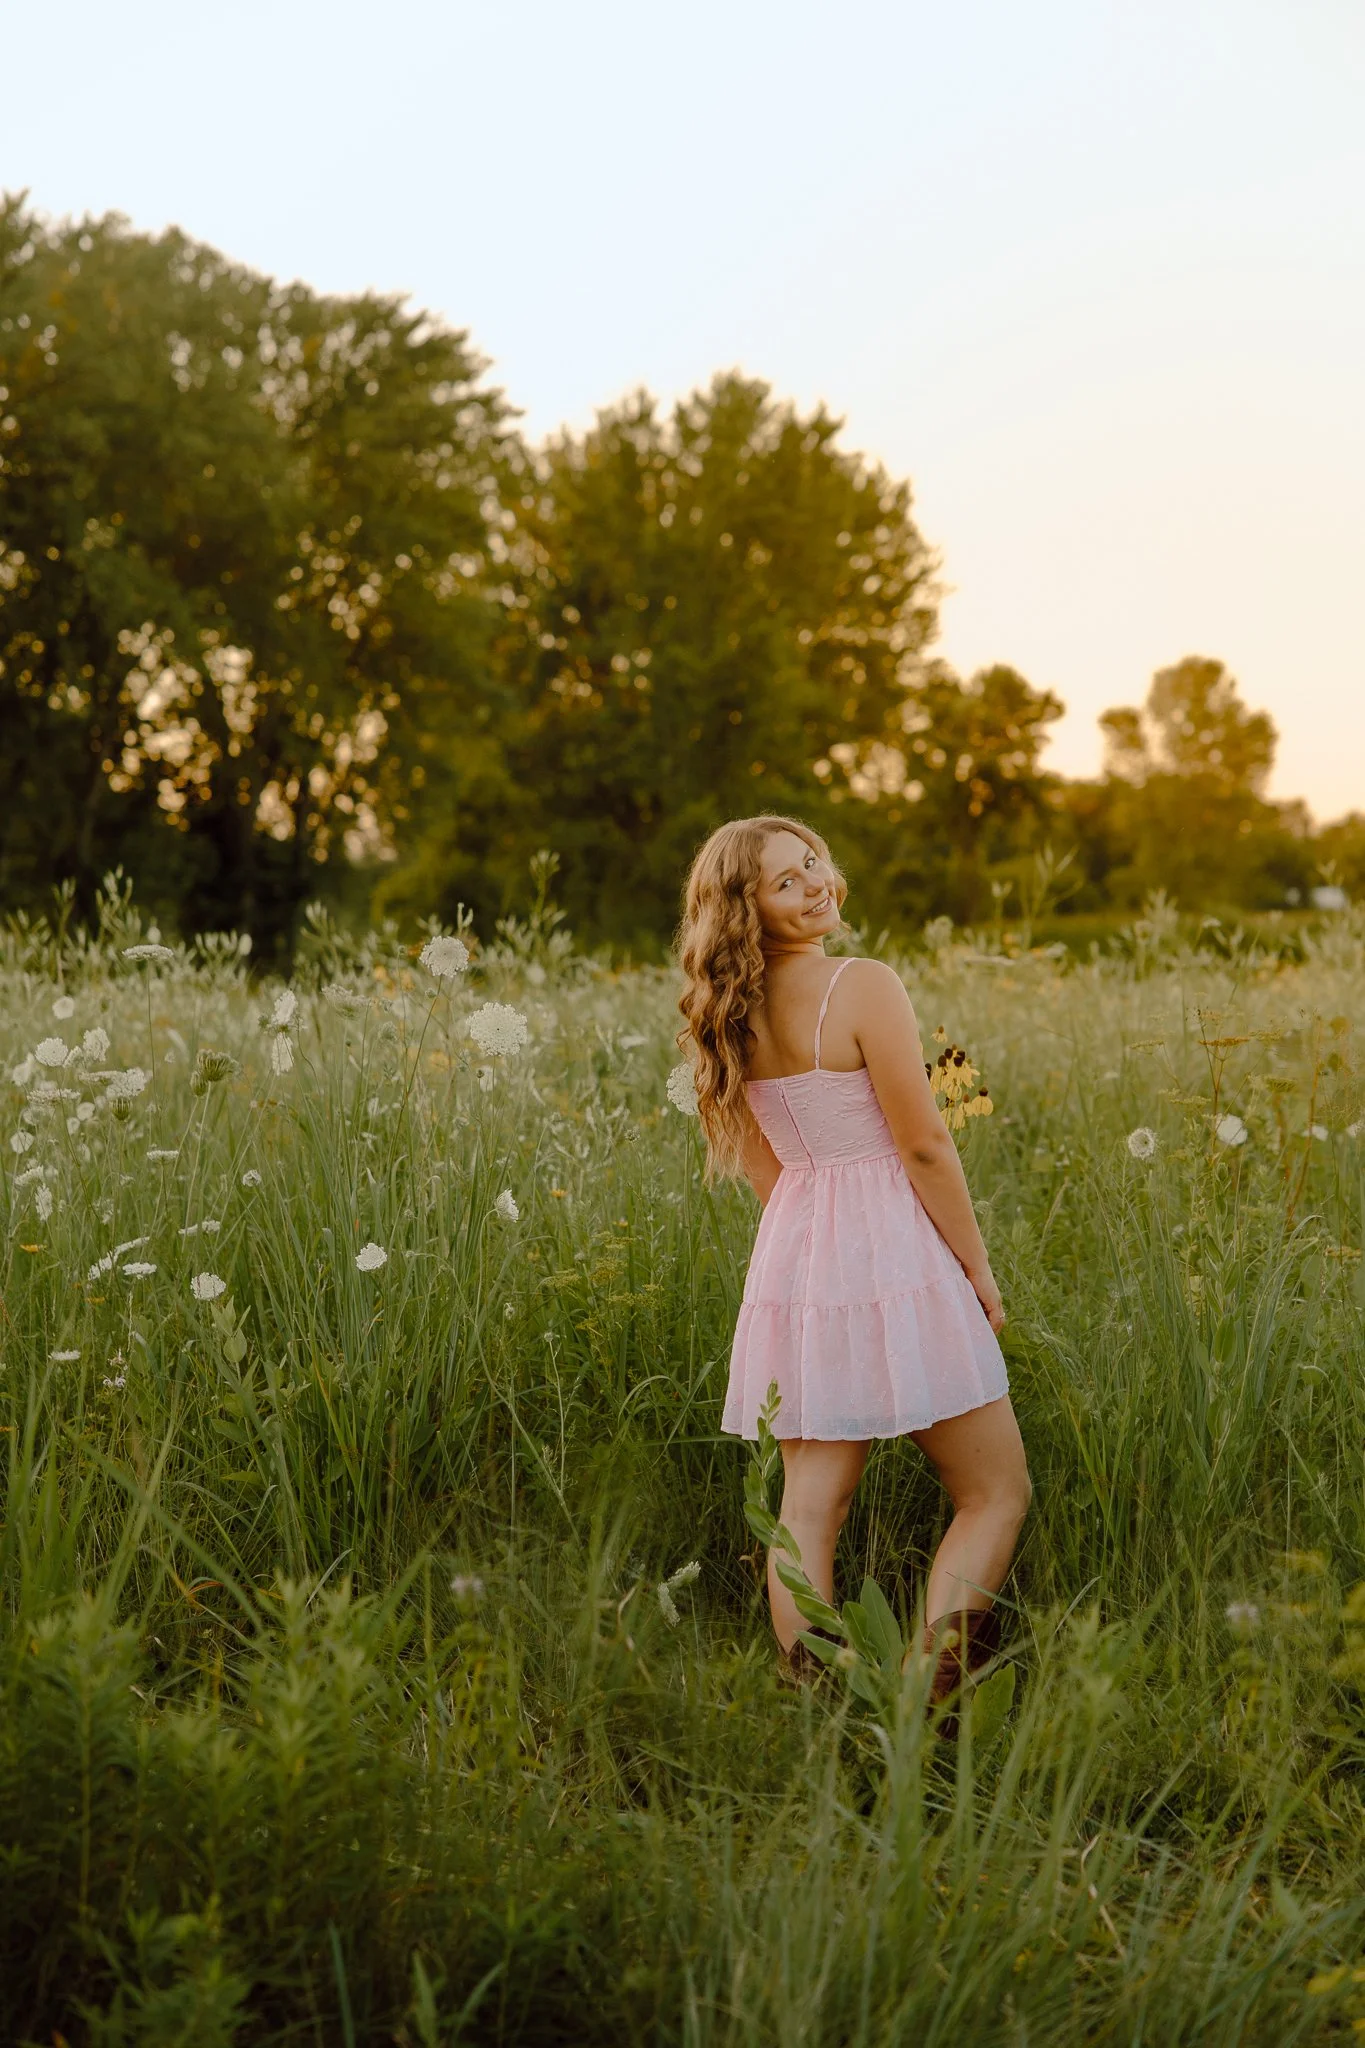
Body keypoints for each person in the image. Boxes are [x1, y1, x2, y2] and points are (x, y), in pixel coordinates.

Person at [675, 814, 1031, 1711]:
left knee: (808, 1510)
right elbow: (922, 1146)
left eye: (816, 863)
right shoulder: (862, 984)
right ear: (745, 910)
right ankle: (923, 1698)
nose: (818, 884)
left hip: (797, 1258)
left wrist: (817, 1254)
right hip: (896, 1247)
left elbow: (768, 1169)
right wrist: (975, 1269)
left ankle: (818, 1711)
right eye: (788, 882)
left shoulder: (727, 1016)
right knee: (994, 1491)